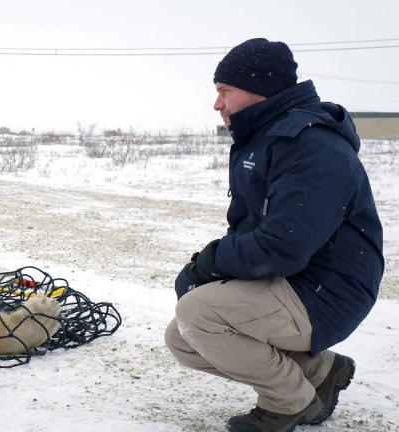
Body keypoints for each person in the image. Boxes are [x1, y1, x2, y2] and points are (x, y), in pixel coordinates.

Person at [164, 38, 383, 432]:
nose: (217, 104)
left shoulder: (311, 145)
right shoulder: (267, 138)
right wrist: (212, 269)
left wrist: (210, 264)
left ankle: (289, 402)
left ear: (259, 88)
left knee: (200, 315)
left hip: (328, 291)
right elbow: (255, 230)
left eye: (225, 91)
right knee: (183, 335)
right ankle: (320, 371)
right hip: (297, 280)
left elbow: (283, 245)